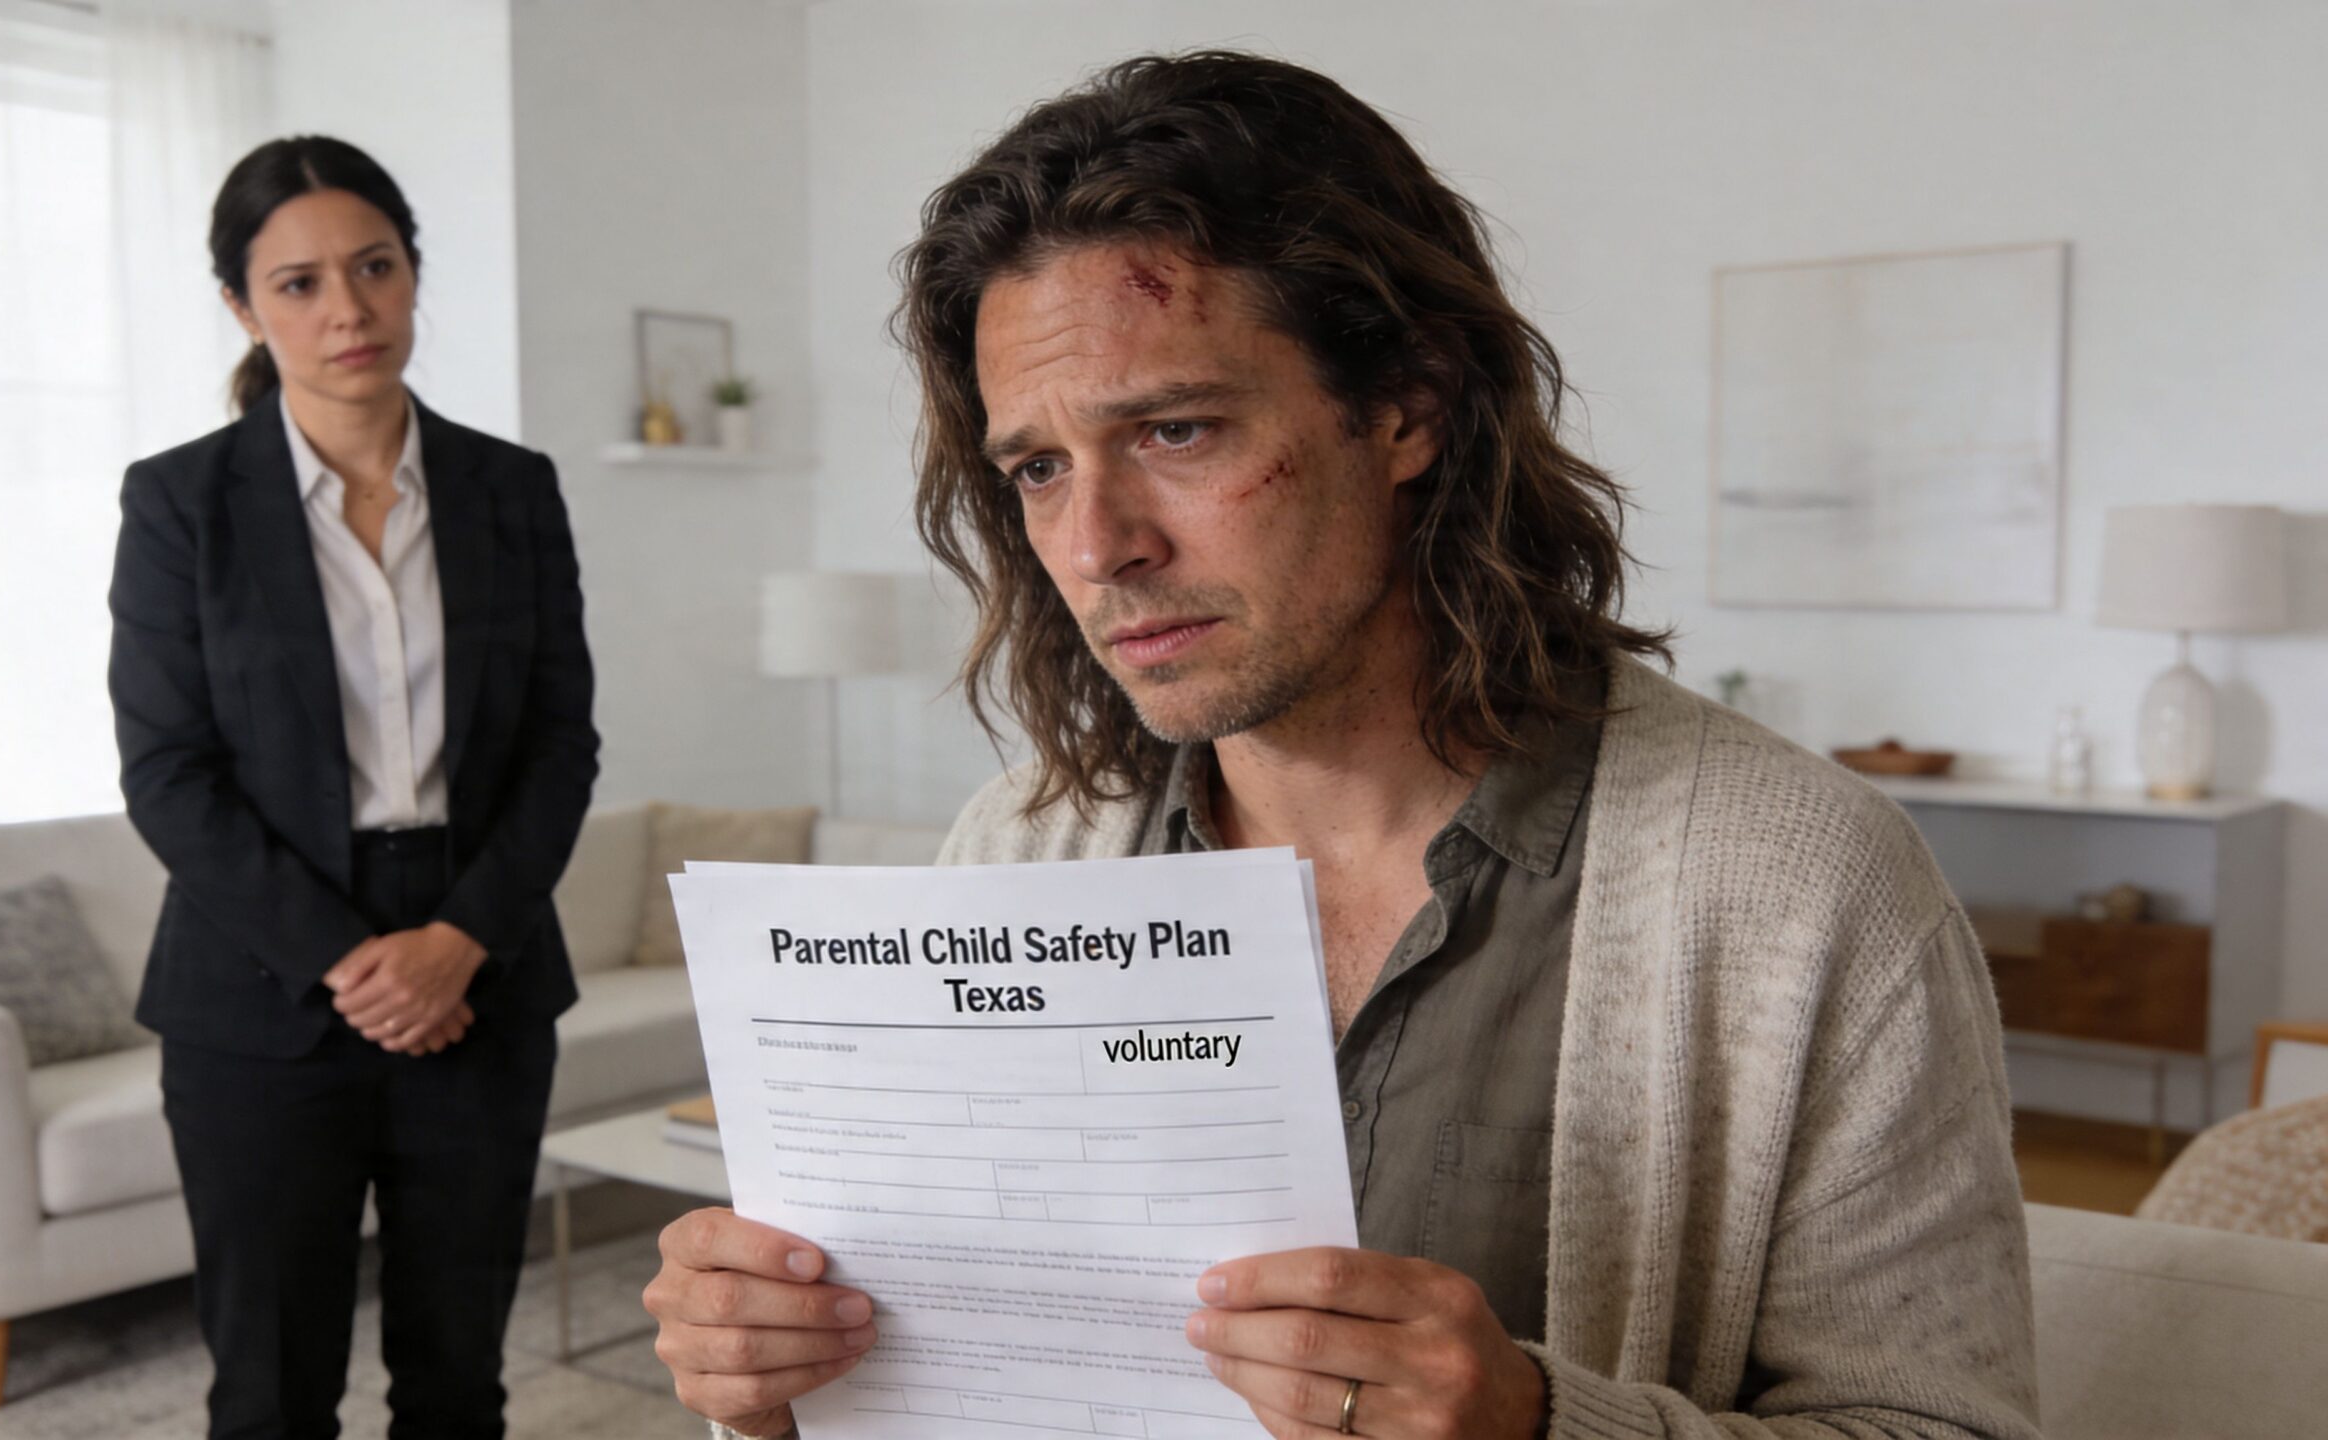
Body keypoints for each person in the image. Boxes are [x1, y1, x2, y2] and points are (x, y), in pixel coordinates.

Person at [644, 52, 2039, 1440]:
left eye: (1176, 429)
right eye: (1039, 468)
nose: (1094, 546)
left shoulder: (1806, 885)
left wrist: (1537, 1425)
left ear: (1407, 411)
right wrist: (778, 1396)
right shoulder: (1015, 850)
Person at [107, 135, 597, 1440]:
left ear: (415, 275)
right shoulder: (178, 506)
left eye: (374, 268)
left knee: (457, 1383)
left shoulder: (514, 490)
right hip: (259, 989)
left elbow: (563, 747)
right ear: (244, 310)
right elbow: (166, 773)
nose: (348, 312)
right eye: (301, 284)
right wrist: (351, 959)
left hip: (480, 966)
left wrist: (456, 945)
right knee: (270, 1392)